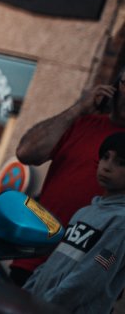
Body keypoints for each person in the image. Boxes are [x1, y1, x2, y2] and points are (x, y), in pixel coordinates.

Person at [9, 66, 125, 286]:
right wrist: (78, 108)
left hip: (83, 279)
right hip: (33, 259)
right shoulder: (83, 123)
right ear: (114, 87)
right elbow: (26, 152)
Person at [24, 131, 125, 313]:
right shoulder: (84, 212)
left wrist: (48, 304)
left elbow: (93, 276)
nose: (107, 167)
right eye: (105, 157)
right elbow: (51, 262)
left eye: (121, 163)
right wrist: (26, 294)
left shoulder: (120, 223)